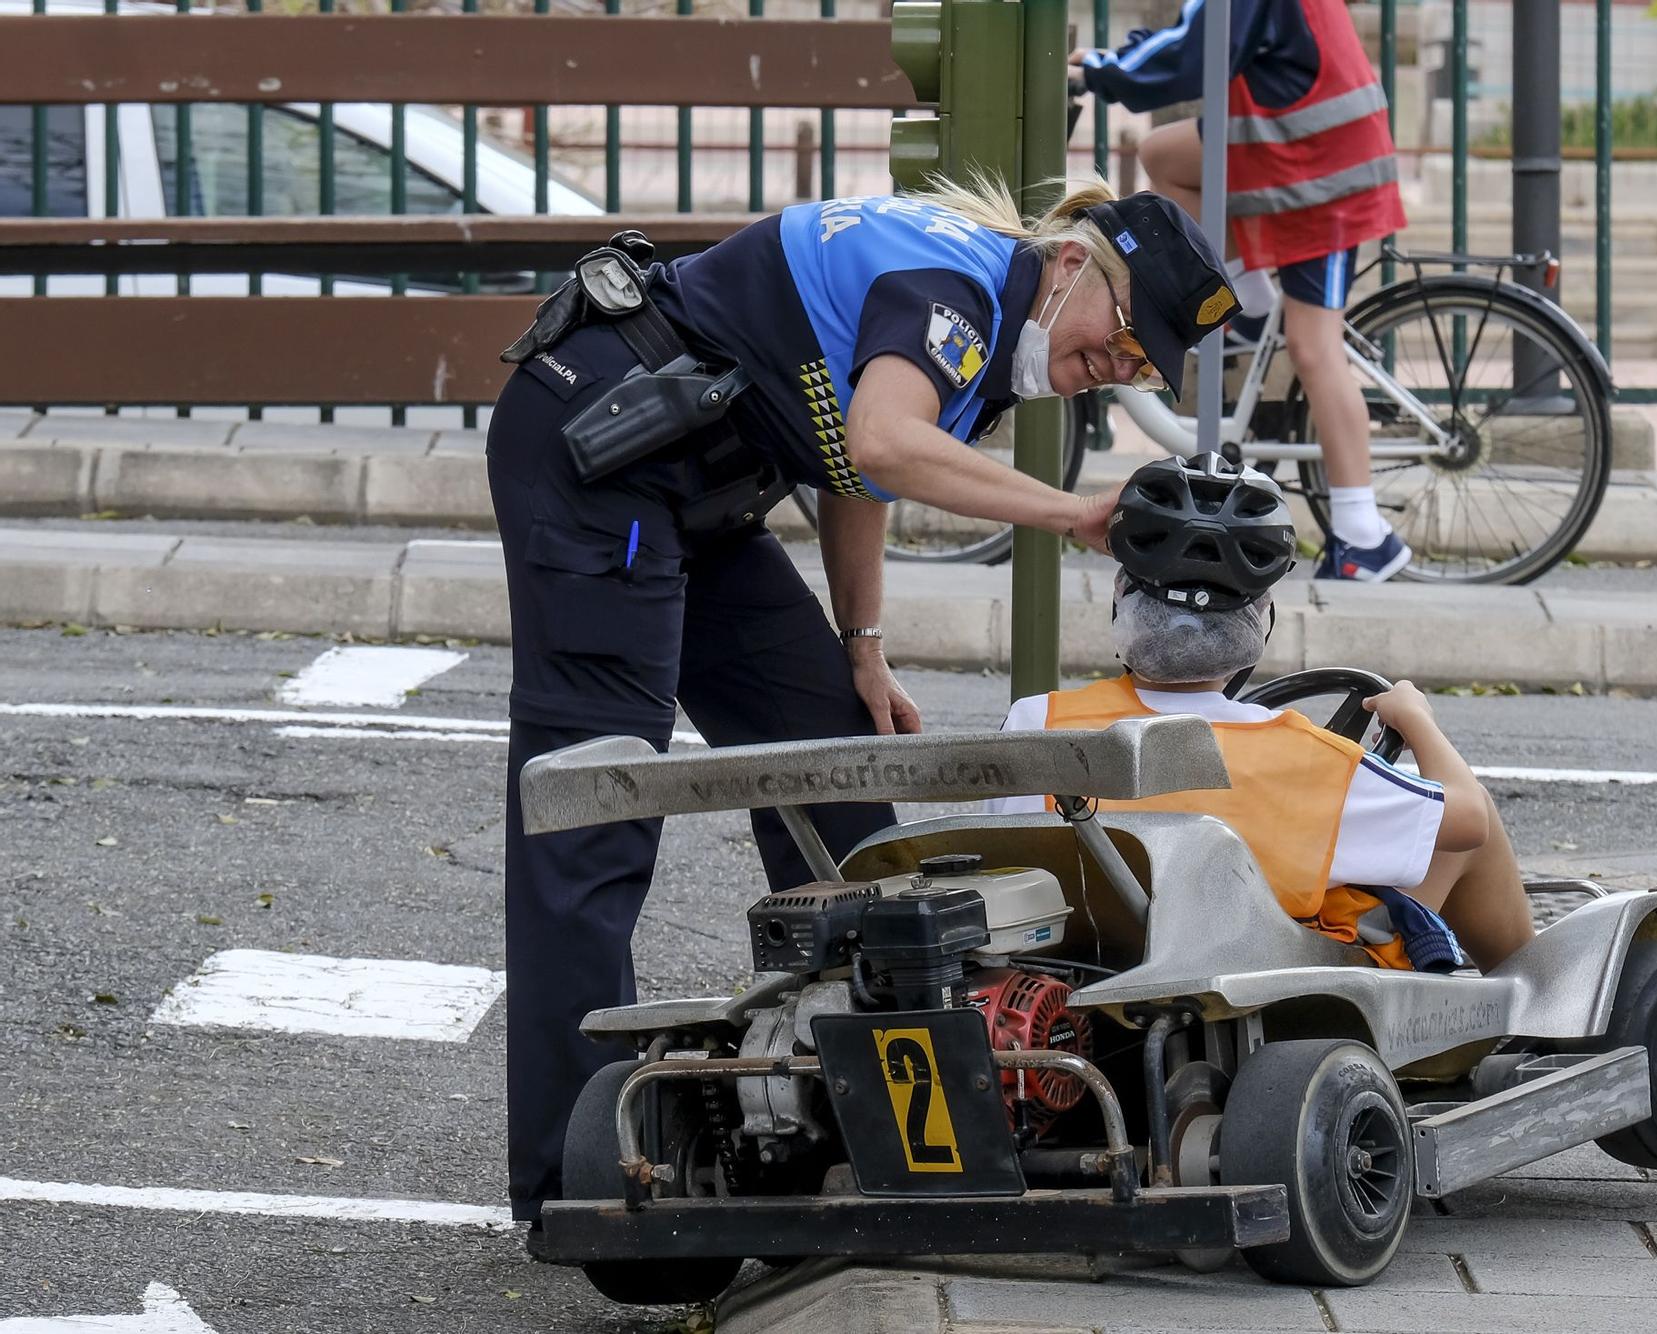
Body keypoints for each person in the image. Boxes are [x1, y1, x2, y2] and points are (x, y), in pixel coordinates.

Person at [486, 180, 1240, 1235]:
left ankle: (851, 1110)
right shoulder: (954, 293)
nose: (1121, 368)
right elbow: (886, 441)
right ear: (1071, 265)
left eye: (1143, 364)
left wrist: (861, 645)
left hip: (699, 470)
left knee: (839, 767)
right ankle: (570, 1175)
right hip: (598, 452)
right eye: (1122, 337)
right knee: (594, 805)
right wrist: (1075, 512)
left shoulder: (993, 317)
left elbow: (853, 465)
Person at [989, 455, 1533, 971]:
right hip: (1271, 999)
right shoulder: (1311, 760)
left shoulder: (1038, 722)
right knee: (1470, 806)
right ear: (1260, 620)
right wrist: (1417, 720)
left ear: (1122, 601)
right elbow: (1468, 823)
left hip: (1084, 971)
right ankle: (1534, 1004)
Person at [1073, 0, 1414, 581]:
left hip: (1324, 168)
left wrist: (1106, 69)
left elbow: (1193, 53)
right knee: (1163, 154)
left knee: (1313, 346)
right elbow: (1196, 31)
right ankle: (1248, 306)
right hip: (1291, 145)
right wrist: (1118, 60)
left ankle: (1365, 537)